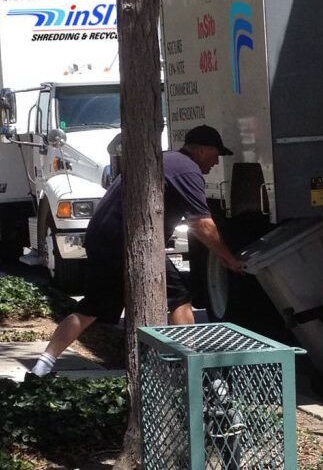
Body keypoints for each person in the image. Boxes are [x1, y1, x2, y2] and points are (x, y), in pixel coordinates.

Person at [29, 124, 243, 378]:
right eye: (215, 154)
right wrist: (228, 259)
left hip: (101, 237)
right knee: (180, 298)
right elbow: (202, 225)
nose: (216, 162)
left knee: (90, 308)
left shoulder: (163, 160)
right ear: (201, 150)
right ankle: (194, 372)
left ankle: (41, 367)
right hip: (131, 242)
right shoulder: (188, 169)